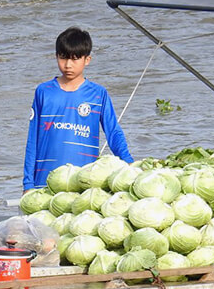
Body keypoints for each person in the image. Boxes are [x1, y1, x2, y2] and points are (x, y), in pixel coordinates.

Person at [23, 26, 133, 193]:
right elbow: (33, 139)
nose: (68, 65)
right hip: (44, 183)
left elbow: (114, 133)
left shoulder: (98, 94)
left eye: (75, 59)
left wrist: (130, 164)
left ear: (87, 60)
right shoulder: (43, 92)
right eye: (63, 58)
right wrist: (28, 184)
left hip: (83, 182)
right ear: (56, 57)